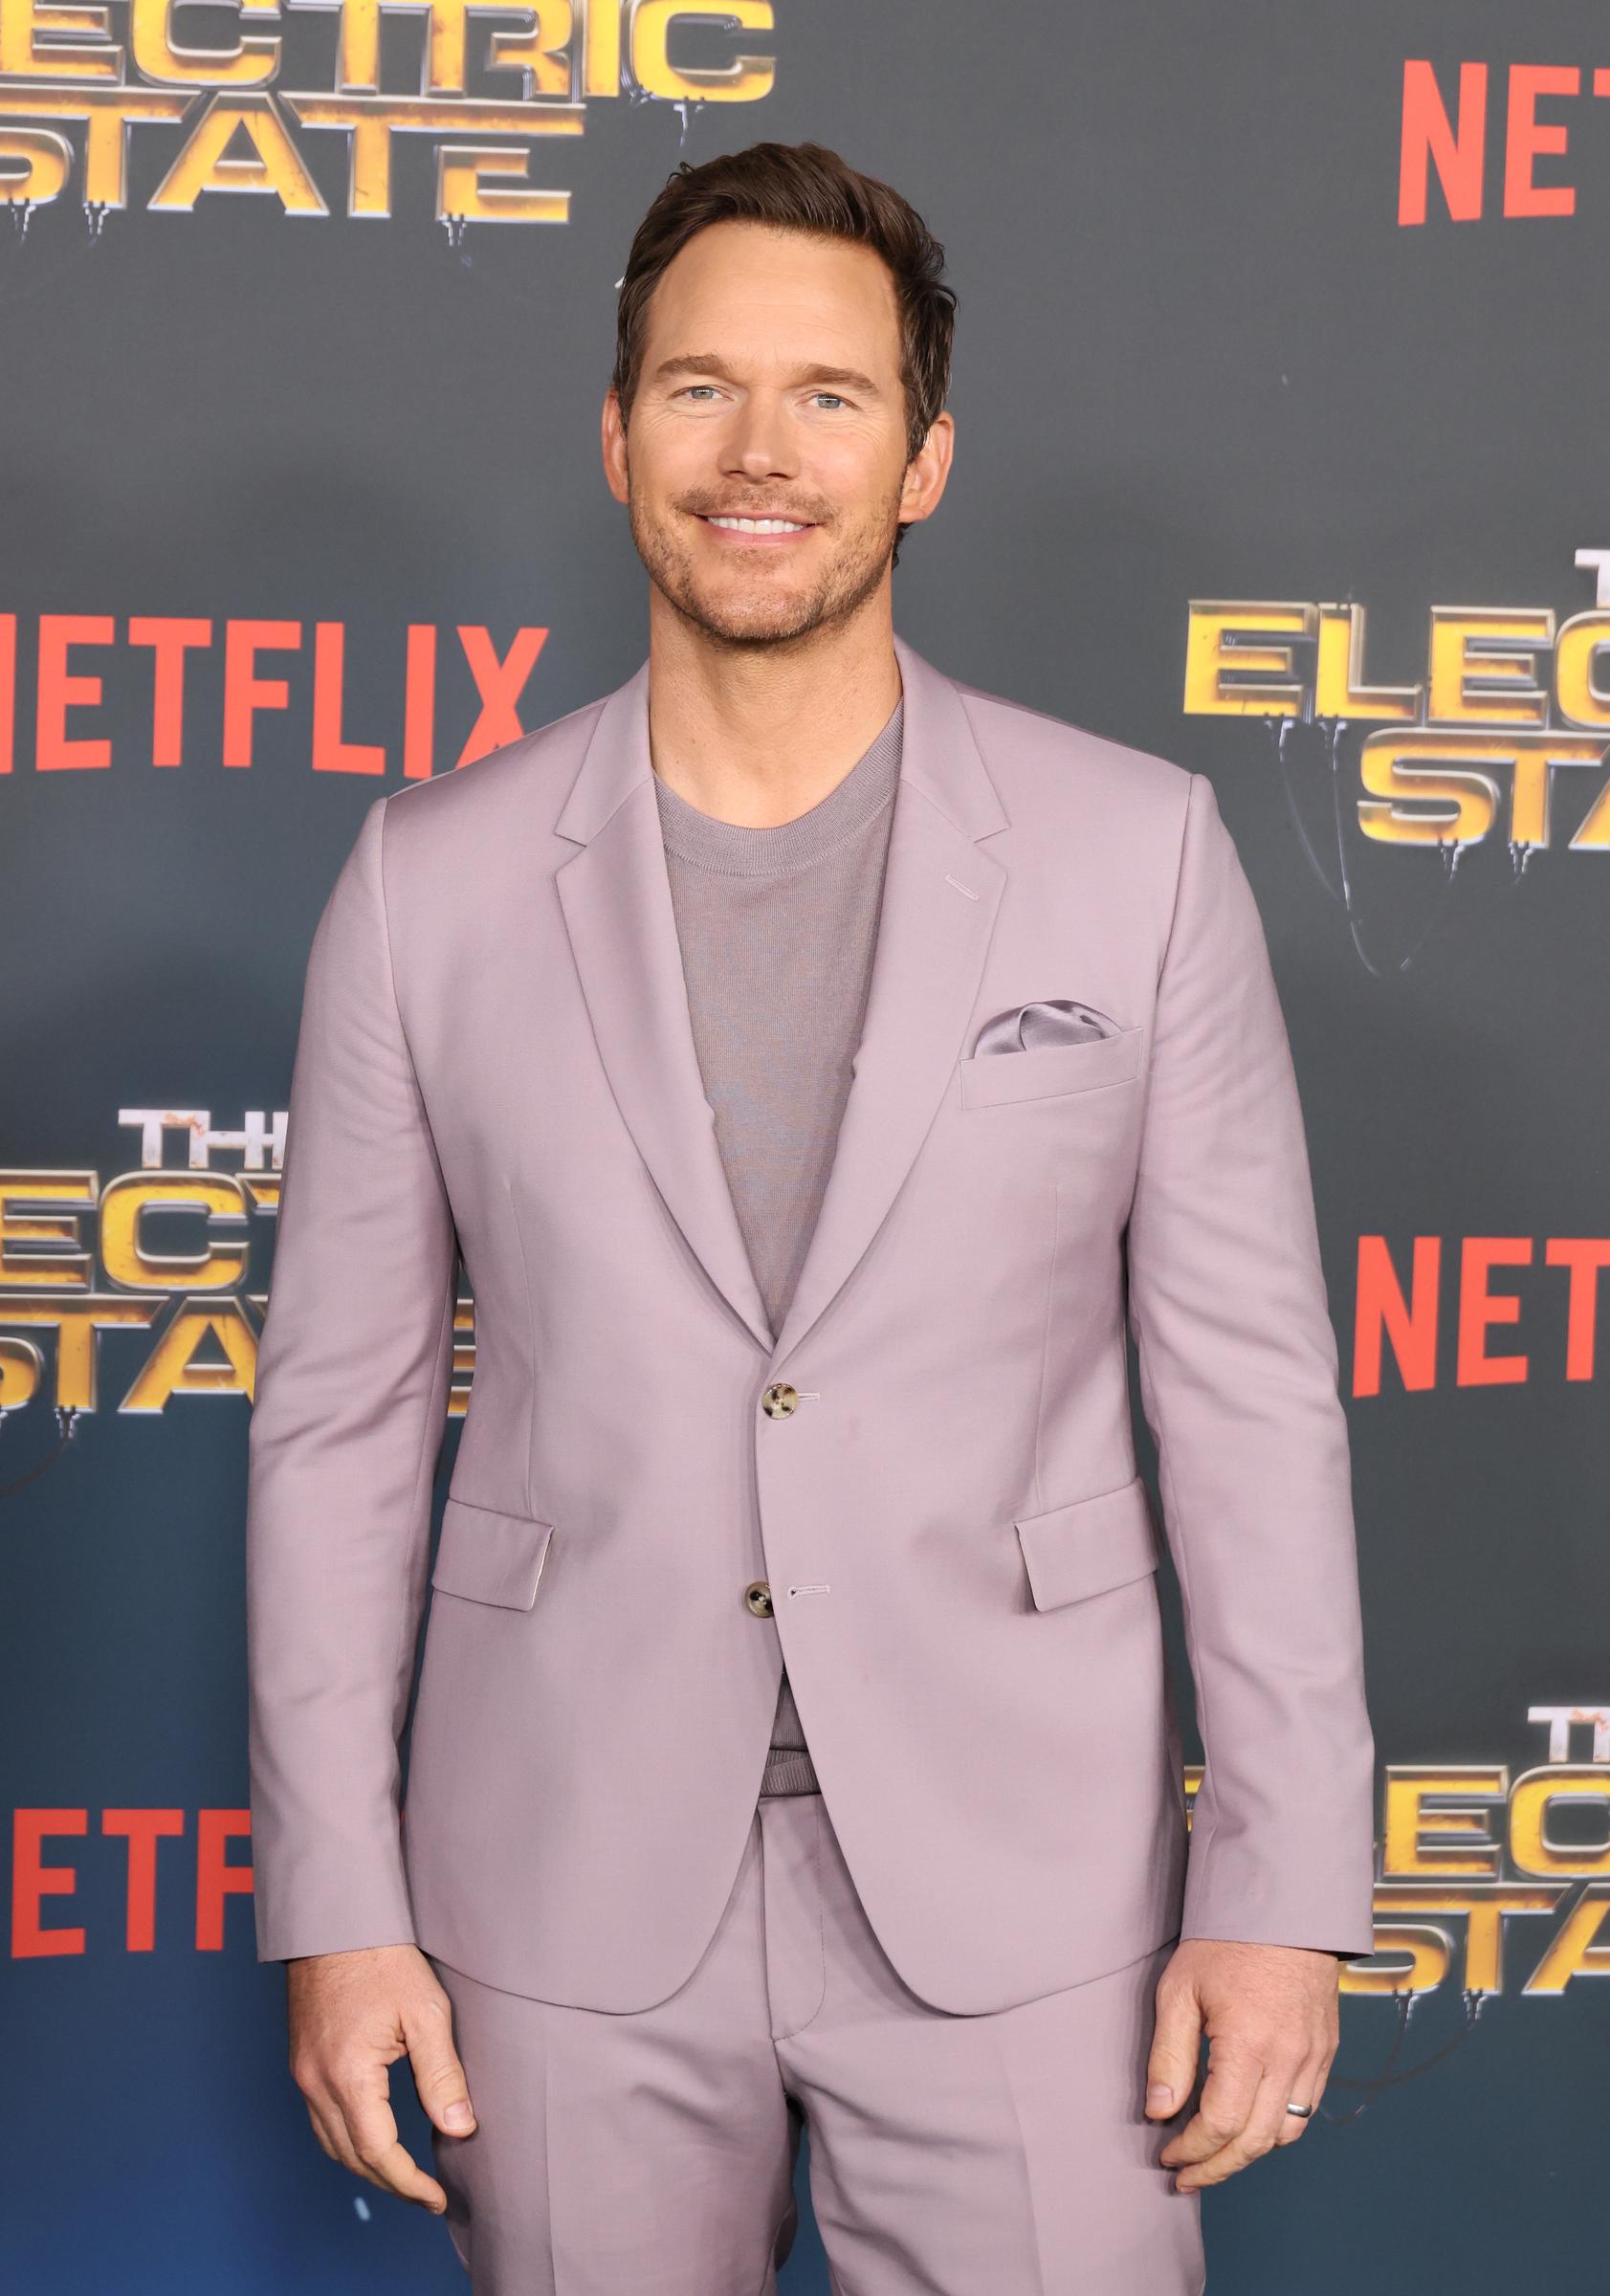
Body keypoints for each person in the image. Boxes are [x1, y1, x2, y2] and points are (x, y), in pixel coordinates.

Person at [246, 140, 1377, 2295]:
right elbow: (336, 1427)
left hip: (1030, 1896)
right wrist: (335, 1900)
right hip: (557, 1891)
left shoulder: (1132, 858)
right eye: (698, 388)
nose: (758, 454)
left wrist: (1274, 1879)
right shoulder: (429, 881)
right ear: (614, 432)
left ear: (921, 460)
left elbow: (1247, 1402)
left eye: (828, 399)